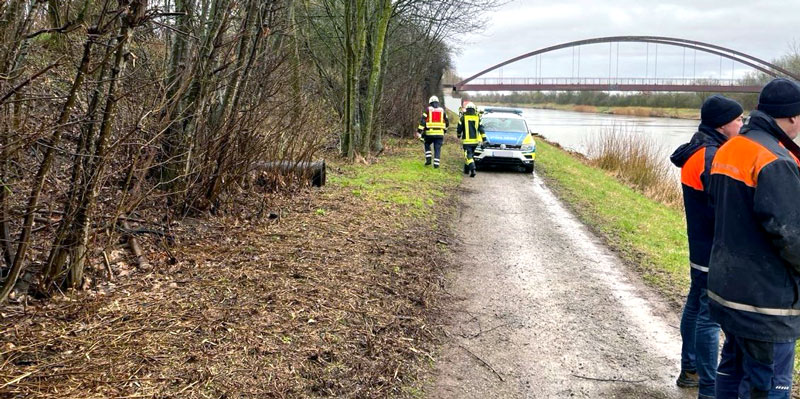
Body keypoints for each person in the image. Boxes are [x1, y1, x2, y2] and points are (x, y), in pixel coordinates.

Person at [707, 77, 800, 399]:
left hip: (727, 287)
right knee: (768, 384)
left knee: (731, 371)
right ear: (791, 116)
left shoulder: (730, 149)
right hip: (766, 301)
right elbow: (793, 237)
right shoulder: (775, 160)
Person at [670, 95, 744, 399]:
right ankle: (709, 385)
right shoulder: (711, 157)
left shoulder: (697, 151)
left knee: (695, 305)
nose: (742, 123)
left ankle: (690, 369)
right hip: (714, 247)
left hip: (700, 245)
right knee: (709, 317)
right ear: (723, 124)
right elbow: (723, 205)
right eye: (738, 119)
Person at [417, 95, 449, 168]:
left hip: (429, 133)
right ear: (437, 102)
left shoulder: (428, 110)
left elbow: (423, 122)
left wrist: (419, 132)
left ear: (430, 102)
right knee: (437, 148)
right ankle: (436, 165)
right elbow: (447, 122)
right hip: (440, 134)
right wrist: (444, 131)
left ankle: (428, 159)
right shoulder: (442, 110)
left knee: (427, 144)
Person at [456, 102, 487, 177]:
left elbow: (459, 128)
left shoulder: (463, 117)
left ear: (467, 109)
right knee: (470, 155)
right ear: (474, 110)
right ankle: (466, 170)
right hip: (475, 142)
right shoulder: (477, 118)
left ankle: (473, 169)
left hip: (467, 142)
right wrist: (484, 139)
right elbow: (481, 129)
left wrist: (459, 135)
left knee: (468, 156)